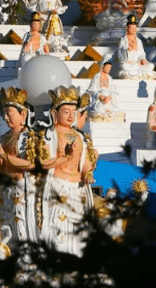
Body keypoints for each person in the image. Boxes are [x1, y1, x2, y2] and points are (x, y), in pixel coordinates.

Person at [33, 86, 96, 256]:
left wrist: (88, 173)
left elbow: (86, 161)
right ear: (54, 114)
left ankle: (76, 259)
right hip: (57, 186)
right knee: (58, 225)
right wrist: (67, 157)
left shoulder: (80, 137)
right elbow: (44, 163)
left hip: (77, 189)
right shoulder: (49, 135)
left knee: (78, 227)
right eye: (66, 111)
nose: (70, 116)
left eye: (73, 112)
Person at [0, 87, 36, 254]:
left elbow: (30, 164)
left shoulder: (28, 137)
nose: (6, 117)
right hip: (7, 187)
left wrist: (6, 157)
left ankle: (25, 258)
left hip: (22, 188)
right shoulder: (4, 137)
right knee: (6, 226)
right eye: (4, 114)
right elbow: (1, 169)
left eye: (10, 113)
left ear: (22, 114)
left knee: (21, 225)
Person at [85, 58, 125, 122]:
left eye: (110, 67)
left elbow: (113, 91)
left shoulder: (110, 78)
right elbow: (92, 90)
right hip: (99, 100)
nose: (109, 69)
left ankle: (108, 110)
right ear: (103, 67)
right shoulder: (97, 77)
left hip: (110, 101)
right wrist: (100, 96)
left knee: (117, 112)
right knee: (99, 110)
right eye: (107, 67)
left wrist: (109, 97)